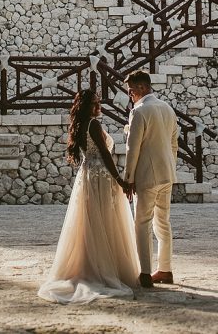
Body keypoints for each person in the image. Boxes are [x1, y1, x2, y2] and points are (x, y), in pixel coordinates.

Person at [37, 89, 140, 304]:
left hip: (87, 176)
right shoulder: (94, 124)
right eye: (94, 104)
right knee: (104, 220)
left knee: (91, 222)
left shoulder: (80, 124)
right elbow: (104, 154)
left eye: (98, 102)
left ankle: (90, 264)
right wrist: (120, 180)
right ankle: (103, 268)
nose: (98, 106)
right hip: (100, 176)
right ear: (86, 107)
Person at [122, 70, 179, 287]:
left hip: (146, 176)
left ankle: (145, 273)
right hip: (166, 174)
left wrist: (129, 178)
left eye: (131, 91)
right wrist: (170, 167)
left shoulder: (140, 111)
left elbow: (132, 148)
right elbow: (174, 143)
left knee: (142, 223)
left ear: (143, 88)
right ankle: (165, 269)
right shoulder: (167, 108)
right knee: (163, 222)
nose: (130, 95)